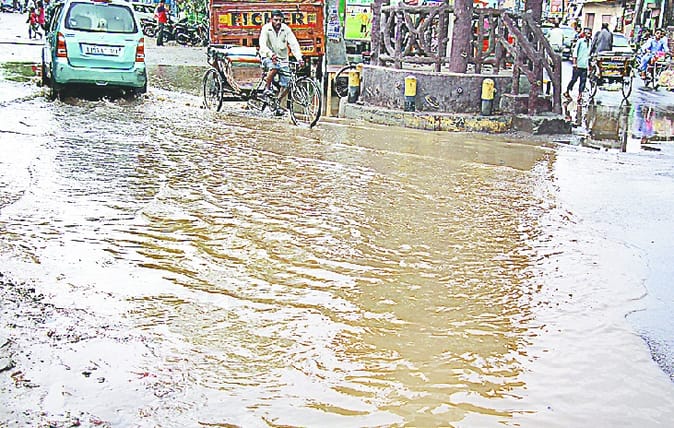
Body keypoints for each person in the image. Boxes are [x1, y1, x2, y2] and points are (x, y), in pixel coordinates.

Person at [258, 10, 304, 115]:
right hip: (268, 57)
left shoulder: (286, 29)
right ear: (271, 20)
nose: (278, 22)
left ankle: (277, 102)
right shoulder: (266, 29)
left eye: (280, 20)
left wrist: (299, 58)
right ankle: (267, 89)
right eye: (276, 20)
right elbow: (262, 45)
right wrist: (271, 54)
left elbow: (293, 44)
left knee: (288, 83)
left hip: (283, 59)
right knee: (274, 67)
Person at [564, 27, 592, 101]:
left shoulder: (590, 42)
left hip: (585, 65)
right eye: (587, 33)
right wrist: (574, 63)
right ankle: (567, 91)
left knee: (583, 81)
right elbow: (575, 53)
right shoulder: (580, 41)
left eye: (590, 33)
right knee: (574, 79)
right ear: (584, 34)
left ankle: (580, 95)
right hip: (578, 65)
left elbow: (589, 54)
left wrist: (589, 65)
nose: (589, 35)